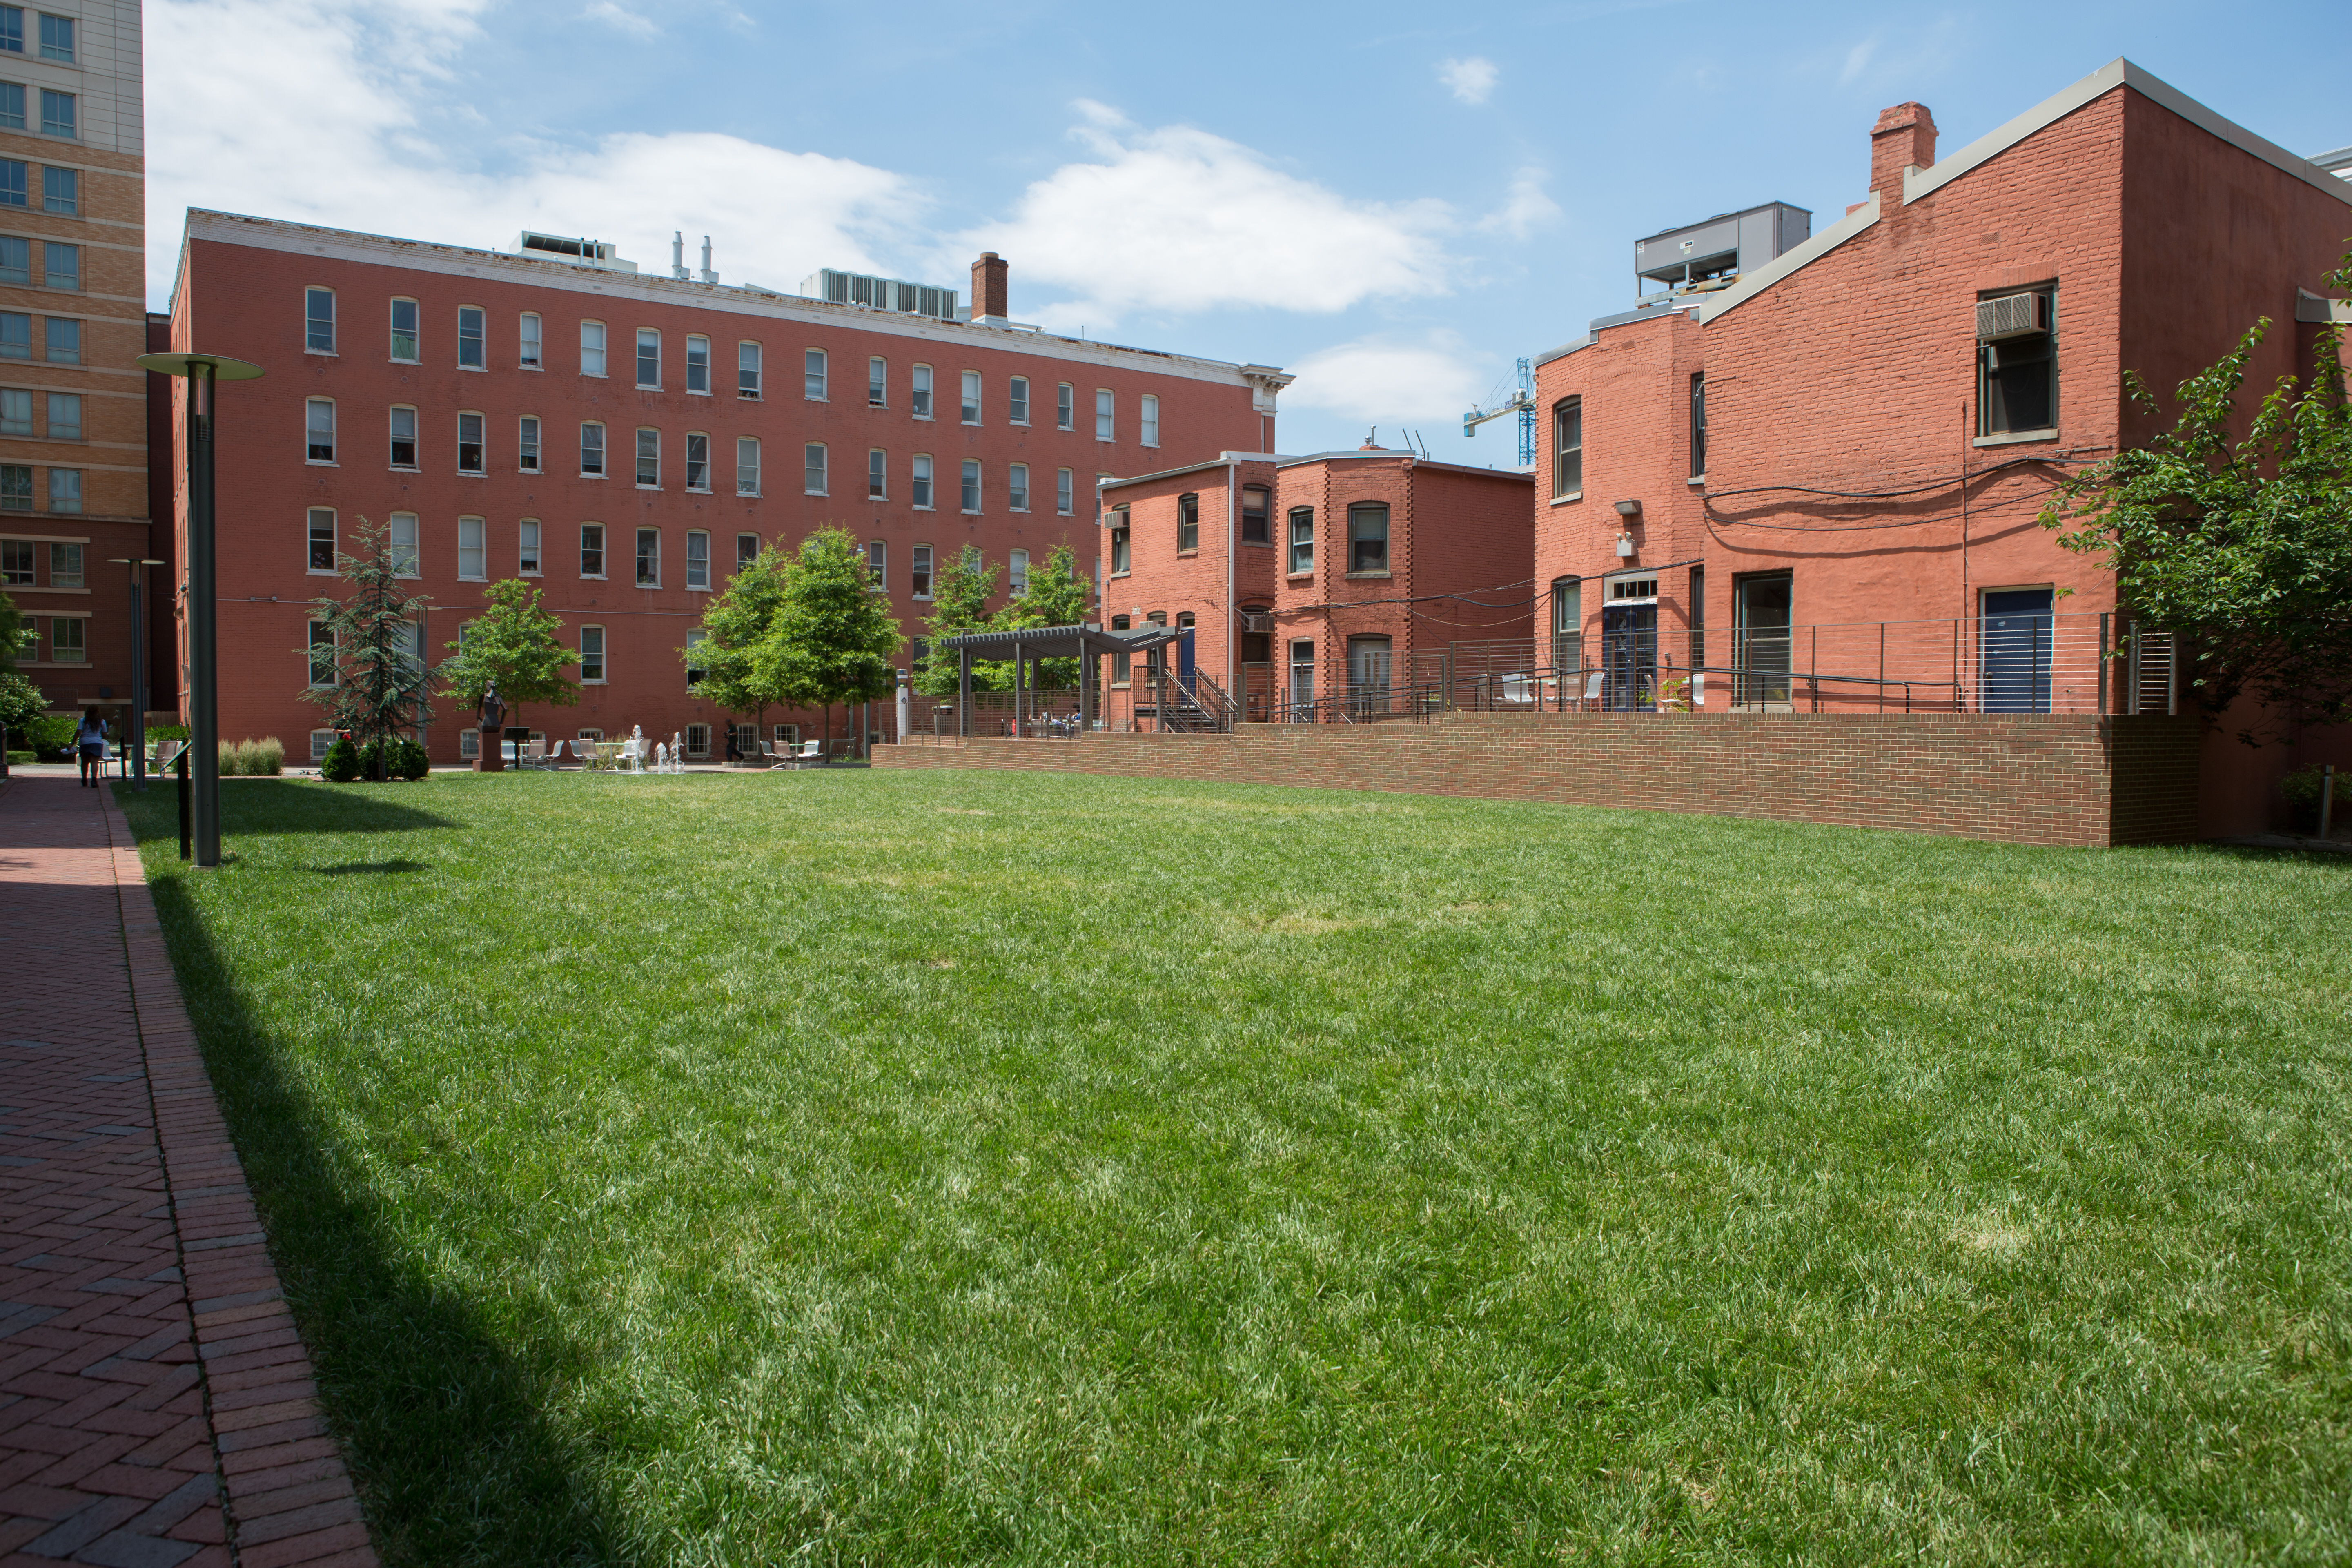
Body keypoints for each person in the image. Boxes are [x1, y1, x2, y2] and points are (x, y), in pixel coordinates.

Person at [75, 711, 107, 788]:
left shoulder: (82, 721)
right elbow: (105, 733)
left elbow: (79, 731)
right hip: (97, 743)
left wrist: (72, 743)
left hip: (85, 743)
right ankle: (94, 780)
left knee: (85, 762)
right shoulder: (102, 721)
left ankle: (84, 779)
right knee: (95, 762)